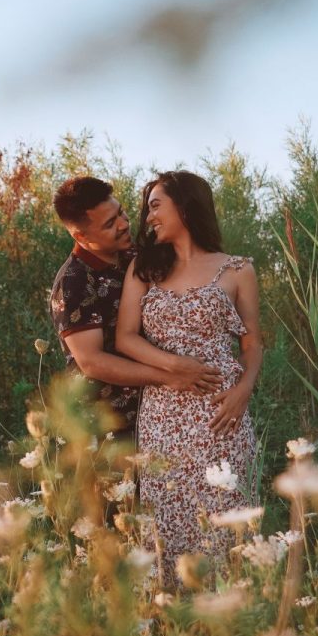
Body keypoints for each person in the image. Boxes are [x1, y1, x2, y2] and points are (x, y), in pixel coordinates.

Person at [114, 170, 263, 587]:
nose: (149, 218)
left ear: (186, 205)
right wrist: (174, 366)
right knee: (168, 525)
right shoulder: (145, 270)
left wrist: (243, 393)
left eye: (156, 205)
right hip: (164, 417)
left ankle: (234, 619)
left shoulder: (238, 269)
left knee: (226, 523)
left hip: (223, 416)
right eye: (147, 210)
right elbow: (125, 338)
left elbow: (252, 344)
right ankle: (175, 629)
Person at [49, 176, 225, 445]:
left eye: (120, 212)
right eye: (109, 224)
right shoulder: (74, 283)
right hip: (106, 431)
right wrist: (170, 376)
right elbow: (91, 361)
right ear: (81, 236)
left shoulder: (139, 257)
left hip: (162, 417)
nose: (123, 224)